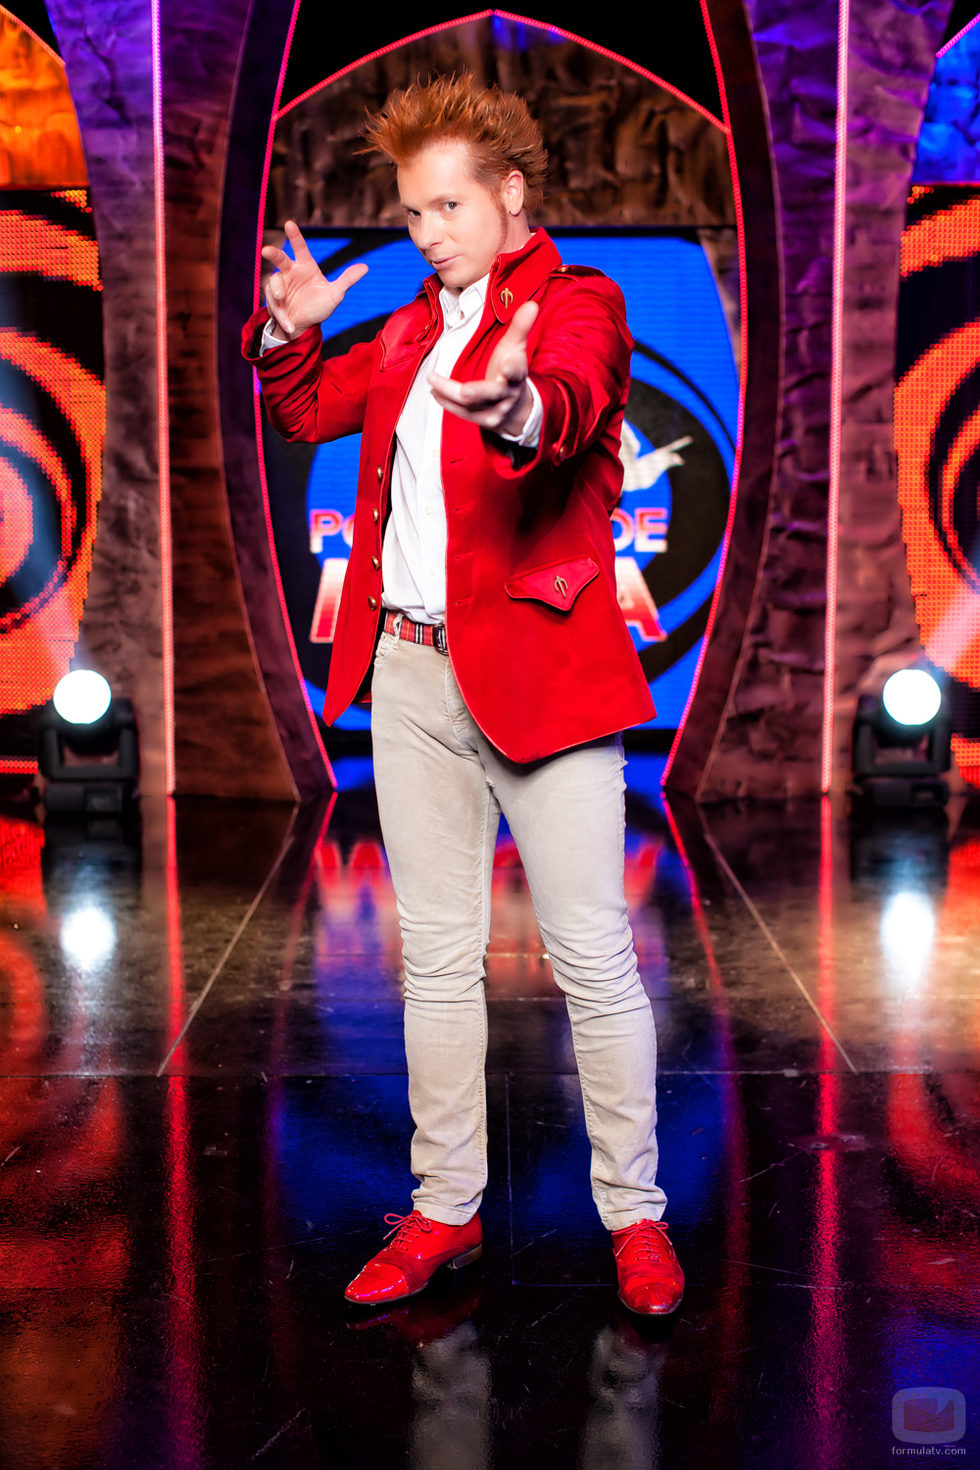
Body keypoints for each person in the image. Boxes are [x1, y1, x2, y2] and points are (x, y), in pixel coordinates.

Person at [242, 73, 684, 1316]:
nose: (428, 231)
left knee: (591, 958)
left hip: (541, 671)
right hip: (408, 670)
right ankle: (444, 1208)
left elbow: (572, 399)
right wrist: (287, 332)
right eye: (412, 212)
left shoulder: (576, 302)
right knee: (435, 964)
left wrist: (516, 403)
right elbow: (302, 409)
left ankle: (635, 1218)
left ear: (509, 195)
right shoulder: (402, 333)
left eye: (448, 206)